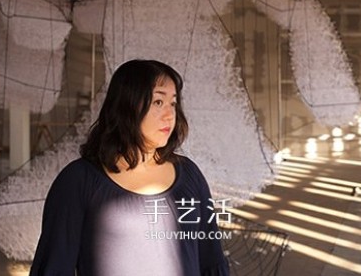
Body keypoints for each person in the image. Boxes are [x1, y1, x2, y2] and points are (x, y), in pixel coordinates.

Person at [30, 59, 230, 275]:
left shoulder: (190, 175)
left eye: (173, 103)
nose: (169, 115)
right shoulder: (78, 181)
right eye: (157, 102)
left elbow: (211, 260)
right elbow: (55, 267)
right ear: (127, 105)